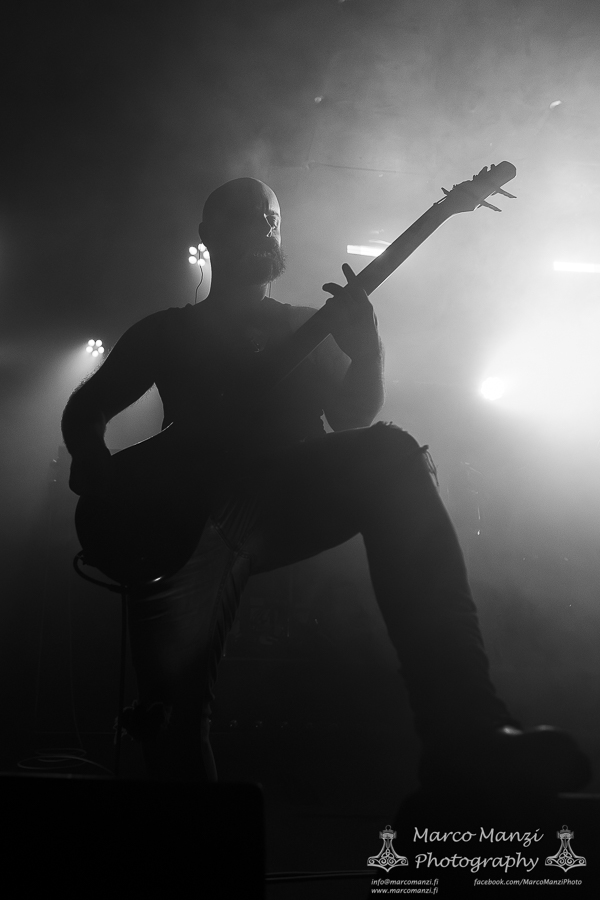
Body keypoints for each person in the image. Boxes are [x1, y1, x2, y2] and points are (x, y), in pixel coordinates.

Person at [61, 177, 590, 793]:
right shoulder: (167, 331)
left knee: (392, 454)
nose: (264, 225)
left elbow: (352, 418)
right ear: (208, 233)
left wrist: (366, 352)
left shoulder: (307, 326)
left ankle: (466, 729)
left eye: (272, 216)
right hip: (185, 521)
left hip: (278, 496)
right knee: (171, 724)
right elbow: (87, 408)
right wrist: (93, 462)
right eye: (246, 215)